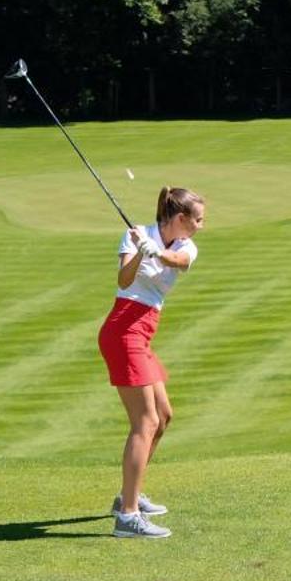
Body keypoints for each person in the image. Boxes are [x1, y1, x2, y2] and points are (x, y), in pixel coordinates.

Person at [99, 185, 205, 539]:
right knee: (145, 421)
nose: (200, 226)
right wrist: (138, 254)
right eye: (197, 220)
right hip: (123, 330)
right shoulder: (136, 236)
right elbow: (124, 280)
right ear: (179, 218)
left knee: (164, 416)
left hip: (142, 334)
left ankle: (130, 494)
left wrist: (155, 253)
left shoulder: (185, 247)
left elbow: (179, 262)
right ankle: (128, 516)